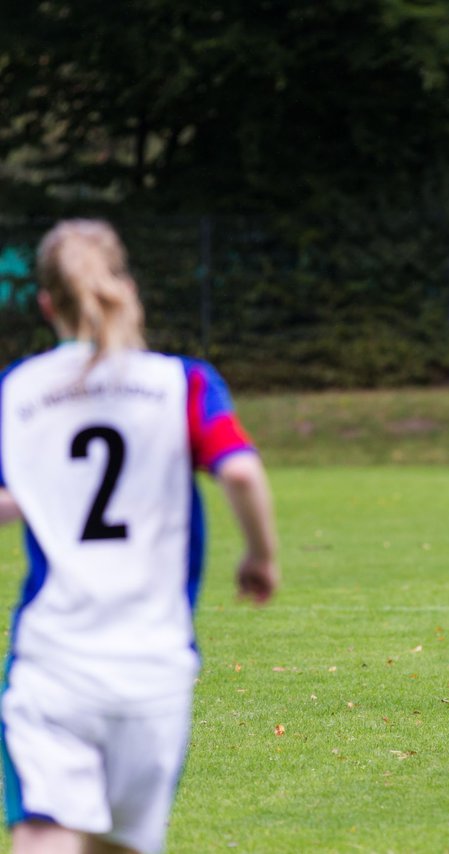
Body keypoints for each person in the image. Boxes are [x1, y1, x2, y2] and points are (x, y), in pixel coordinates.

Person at [0, 219, 279, 854]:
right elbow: (238, 468)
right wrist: (260, 557)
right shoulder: (181, 382)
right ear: (123, 285)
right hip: (153, 670)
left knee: (45, 833)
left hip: (54, 660)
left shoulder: (17, 390)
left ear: (46, 303)